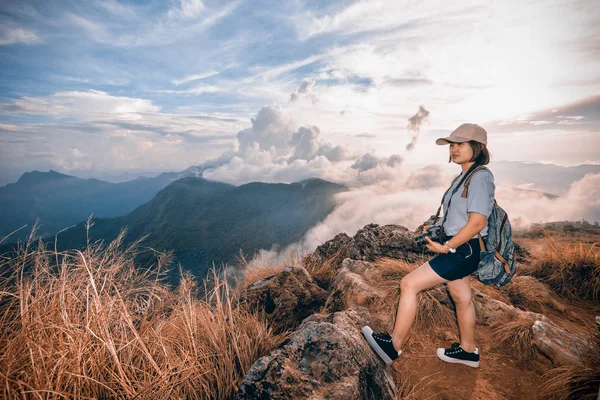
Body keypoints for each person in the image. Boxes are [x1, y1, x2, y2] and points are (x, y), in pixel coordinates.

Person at [362, 123, 495, 368]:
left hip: (462, 250)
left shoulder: (480, 178)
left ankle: (393, 346)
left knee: (409, 284)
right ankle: (468, 351)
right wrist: (437, 228)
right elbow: (460, 216)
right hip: (465, 249)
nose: (454, 149)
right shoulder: (465, 175)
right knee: (461, 297)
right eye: (452, 144)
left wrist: (448, 247)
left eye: (461, 144)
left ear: (477, 147)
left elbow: (477, 222)